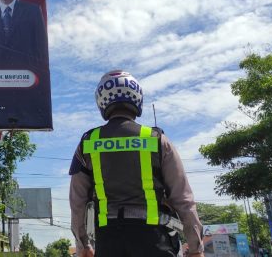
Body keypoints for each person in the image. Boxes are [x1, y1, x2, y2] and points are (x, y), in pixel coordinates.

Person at [69, 70, 205, 257]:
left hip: (109, 242)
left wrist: (82, 244)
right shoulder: (157, 140)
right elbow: (183, 199)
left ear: (101, 101)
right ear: (137, 97)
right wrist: (196, 247)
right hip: (154, 240)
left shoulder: (87, 143)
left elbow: (77, 202)